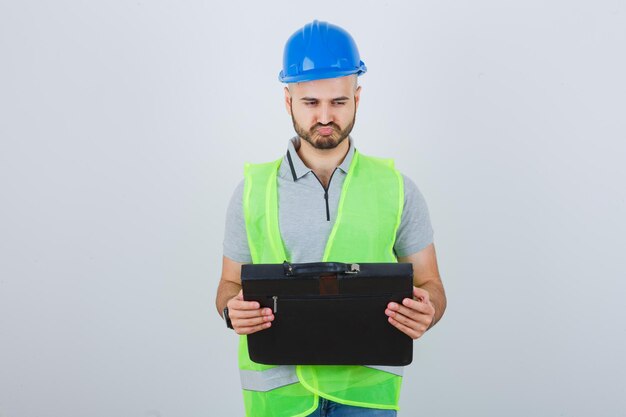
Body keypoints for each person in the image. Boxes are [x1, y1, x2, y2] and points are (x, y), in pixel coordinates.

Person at [216, 20, 446, 417]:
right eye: (311, 103)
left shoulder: (397, 188)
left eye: (338, 102)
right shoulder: (251, 191)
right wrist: (229, 311)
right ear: (288, 101)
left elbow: (431, 283)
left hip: (365, 398)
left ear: (357, 97)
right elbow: (228, 285)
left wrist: (429, 309)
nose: (325, 116)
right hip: (280, 397)